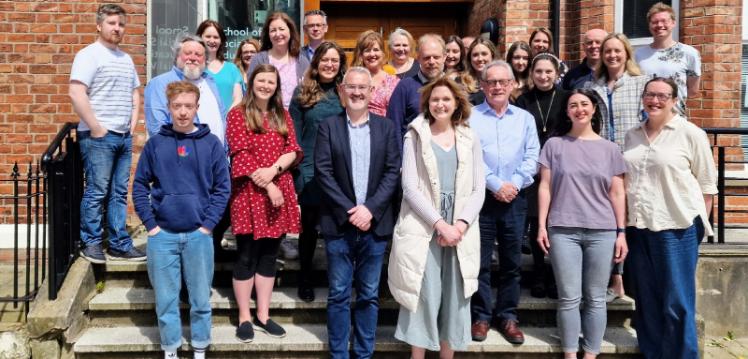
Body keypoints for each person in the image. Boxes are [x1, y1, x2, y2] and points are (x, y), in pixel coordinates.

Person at [132, 81, 231, 359]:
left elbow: (223, 188)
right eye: (178, 106)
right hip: (162, 235)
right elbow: (140, 186)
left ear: (197, 108)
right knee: (166, 301)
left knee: (200, 299)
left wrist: (208, 225)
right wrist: (151, 226)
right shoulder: (156, 145)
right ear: (169, 108)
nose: (183, 112)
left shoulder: (211, 144)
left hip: (199, 235)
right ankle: (171, 349)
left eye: (189, 106)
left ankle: (200, 346)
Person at [389, 76, 485, 359]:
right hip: (424, 226)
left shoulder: (469, 137)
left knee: (456, 297)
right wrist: (440, 224)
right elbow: (409, 186)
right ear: (426, 104)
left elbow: (479, 188)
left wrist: (460, 225)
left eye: (446, 99)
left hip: (460, 231)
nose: (440, 104)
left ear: (457, 103)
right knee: (422, 294)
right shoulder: (414, 135)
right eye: (434, 99)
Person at [624, 77, 717, 359]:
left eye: (662, 96)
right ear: (643, 98)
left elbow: (707, 186)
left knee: (677, 303)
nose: (655, 100)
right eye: (650, 95)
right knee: (647, 301)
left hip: (677, 228)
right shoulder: (632, 135)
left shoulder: (690, 134)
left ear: (674, 100)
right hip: (638, 227)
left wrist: (699, 226)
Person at [314, 67, 401, 359]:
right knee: (338, 294)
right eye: (351, 87)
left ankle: (363, 354)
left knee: (368, 295)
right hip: (339, 224)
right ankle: (339, 353)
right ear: (342, 91)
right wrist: (351, 211)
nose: (357, 92)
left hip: (375, 226)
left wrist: (370, 210)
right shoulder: (328, 126)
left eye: (363, 87)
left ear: (371, 92)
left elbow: (392, 172)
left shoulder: (386, 127)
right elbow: (323, 172)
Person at [536, 89, 627, 359]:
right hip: (563, 229)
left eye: (584, 104)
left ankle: (591, 353)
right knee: (569, 297)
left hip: (603, 230)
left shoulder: (610, 149)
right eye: (573, 105)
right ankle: (570, 353)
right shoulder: (554, 145)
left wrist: (621, 232)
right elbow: (545, 187)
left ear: (594, 109)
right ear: (566, 111)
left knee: (596, 297)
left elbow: (618, 192)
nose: (579, 109)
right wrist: (541, 225)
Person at [226, 64, 302, 342]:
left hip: (278, 192)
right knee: (246, 255)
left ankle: (264, 314)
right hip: (249, 193)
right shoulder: (238, 114)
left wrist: (274, 173)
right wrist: (268, 183)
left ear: (276, 85)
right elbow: (239, 154)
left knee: (270, 255)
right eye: (261, 80)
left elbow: (293, 149)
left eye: (271, 81)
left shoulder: (283, 114)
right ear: (251, 82)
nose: (266, 85)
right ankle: (245, 317)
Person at [469, 60, 539, 344]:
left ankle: (508, 316)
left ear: (512, 85)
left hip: (515, 198)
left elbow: (533, 155)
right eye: (491, 82)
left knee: (512, 262)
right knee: (480, 262)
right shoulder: (470, 116)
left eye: (503, 82)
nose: (497, 86)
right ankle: (482, 317)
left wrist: (514, 184)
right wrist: (495, 184)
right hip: (481, 198)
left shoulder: (524, 118)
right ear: (483, 85)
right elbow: (470, 156)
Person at [70, 4, 145, 263]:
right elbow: (76, 93)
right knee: (97, 191)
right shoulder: (89, 55)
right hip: (98, 137)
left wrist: (132, 124)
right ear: (99, 25)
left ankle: (118, 243)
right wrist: (96, 127)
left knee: (118, 193)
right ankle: (90, 242)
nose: (117, 28)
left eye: (121, 24)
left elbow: (135, 91)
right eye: (112, 23)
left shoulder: (125, 59)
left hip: (122, 136)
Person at [289, 41, 347, 302]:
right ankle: (305, 278)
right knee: (309, 228)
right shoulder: (302, 92)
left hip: (340, 172)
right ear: (316, 63)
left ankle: (339, 279)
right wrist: (298, 170)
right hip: (310, 169)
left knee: (337, 227)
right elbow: (294, 135)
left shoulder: (345, 92)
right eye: (325, 59)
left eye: (335, 60)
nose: (330, 64)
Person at [515, 53, 569, 298]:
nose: (544, 76)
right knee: (538, 221)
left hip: (562, 167)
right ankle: (538, 273)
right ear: (531, 73)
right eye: (539, 72)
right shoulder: (523, 101)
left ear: (557, 73)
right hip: (534, 168)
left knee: (558, 224)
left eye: (549, 72)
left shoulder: (567, 98)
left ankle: (557, 276)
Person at [145, 35, 226, 141]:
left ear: (205, 59)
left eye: (198, 54)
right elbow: (157, 129)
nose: (192, 58)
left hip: (216, 153)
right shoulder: (160, 84)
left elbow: (222, 118)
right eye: (187, 53)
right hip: (182, 154)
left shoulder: (210, 82)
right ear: (177, 56)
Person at [585, 33, 650, 149]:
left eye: (617, 51)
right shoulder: (591, 87)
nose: (612, 55)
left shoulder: (641, 83)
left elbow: (650, 120)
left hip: (631, 151)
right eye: (608, 51)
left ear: (627, 54)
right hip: (601, 153)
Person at [635, 2, 701, 114]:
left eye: (664, 21)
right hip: (644, 118)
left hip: (675, 118)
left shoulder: (689, 53)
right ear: (649, 25)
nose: (659, 25)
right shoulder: (638, 55)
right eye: (654, 22)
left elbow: (693, 90)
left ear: (673, 23)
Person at [387, 33, 447, 148]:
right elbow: (394, 127)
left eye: (436, 57)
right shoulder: (405, 87)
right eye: (426, 57)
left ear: (444, 57)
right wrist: (399, 163)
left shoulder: (454, 87)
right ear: (418, 58)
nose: (431, 61)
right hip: (413, 157)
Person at [249, 11, 310, 109]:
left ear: (290, 31)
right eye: (273, 30)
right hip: (267, 116)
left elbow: (309, 92)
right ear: (268, 34)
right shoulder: (259, 59)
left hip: (295, 118)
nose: (278, 34)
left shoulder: (302, 61)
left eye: (281, 29)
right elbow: (251, 90)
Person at [197, 20, 243, 111]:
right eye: (208, 37)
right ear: (200, 38)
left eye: (216, 37)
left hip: (227, 122)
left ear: (221, 41)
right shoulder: (194, 68)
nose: (212, 40)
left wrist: (225, 119)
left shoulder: (232, 69)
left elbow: (238, 98)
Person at [351, 30, 400, 117]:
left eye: (376, 50)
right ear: (361, 55)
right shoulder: (353, 79)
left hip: (384, 128)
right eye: (367, 50)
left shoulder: (394, 82)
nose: (372, 54)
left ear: (383, 53)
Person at [461, 38, 497, 105]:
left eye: (484, 54)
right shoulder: (461, 82)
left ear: (492, 56)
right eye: (475, 55)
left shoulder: (501, 81)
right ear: (470, 59)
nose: (480, 59)